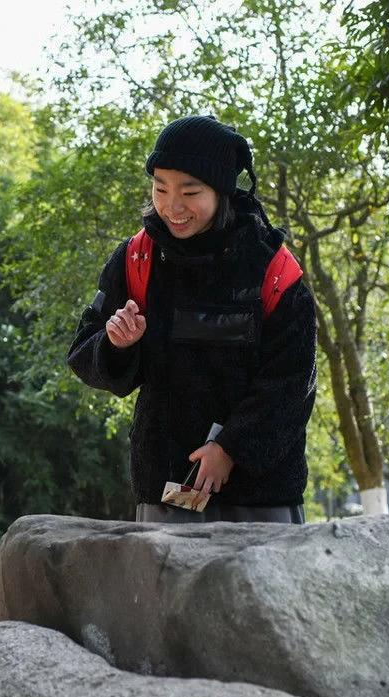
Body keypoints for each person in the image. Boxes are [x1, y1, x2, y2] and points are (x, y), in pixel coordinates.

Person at [67, 115, 317, 523]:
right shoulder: (136, 259)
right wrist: (115, 344)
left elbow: (292, 382)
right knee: (168, 590)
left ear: (222, 191)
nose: (172, 206)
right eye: (160, 188)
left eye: (190, 191)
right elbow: (83, 353)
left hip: (262, 498)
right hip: (171, 490)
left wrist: (231, 448)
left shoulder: (272, 270)